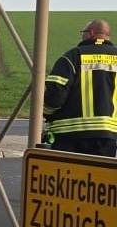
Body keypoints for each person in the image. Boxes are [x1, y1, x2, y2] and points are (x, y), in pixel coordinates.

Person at [43, 19, 117, 157]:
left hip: (68, 136)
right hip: (108, 138)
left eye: (83, 32)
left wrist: (46, 113)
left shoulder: (72, 56)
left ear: (91, 33)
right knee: (98, 171)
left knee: (68, 171)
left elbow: (55, 96)